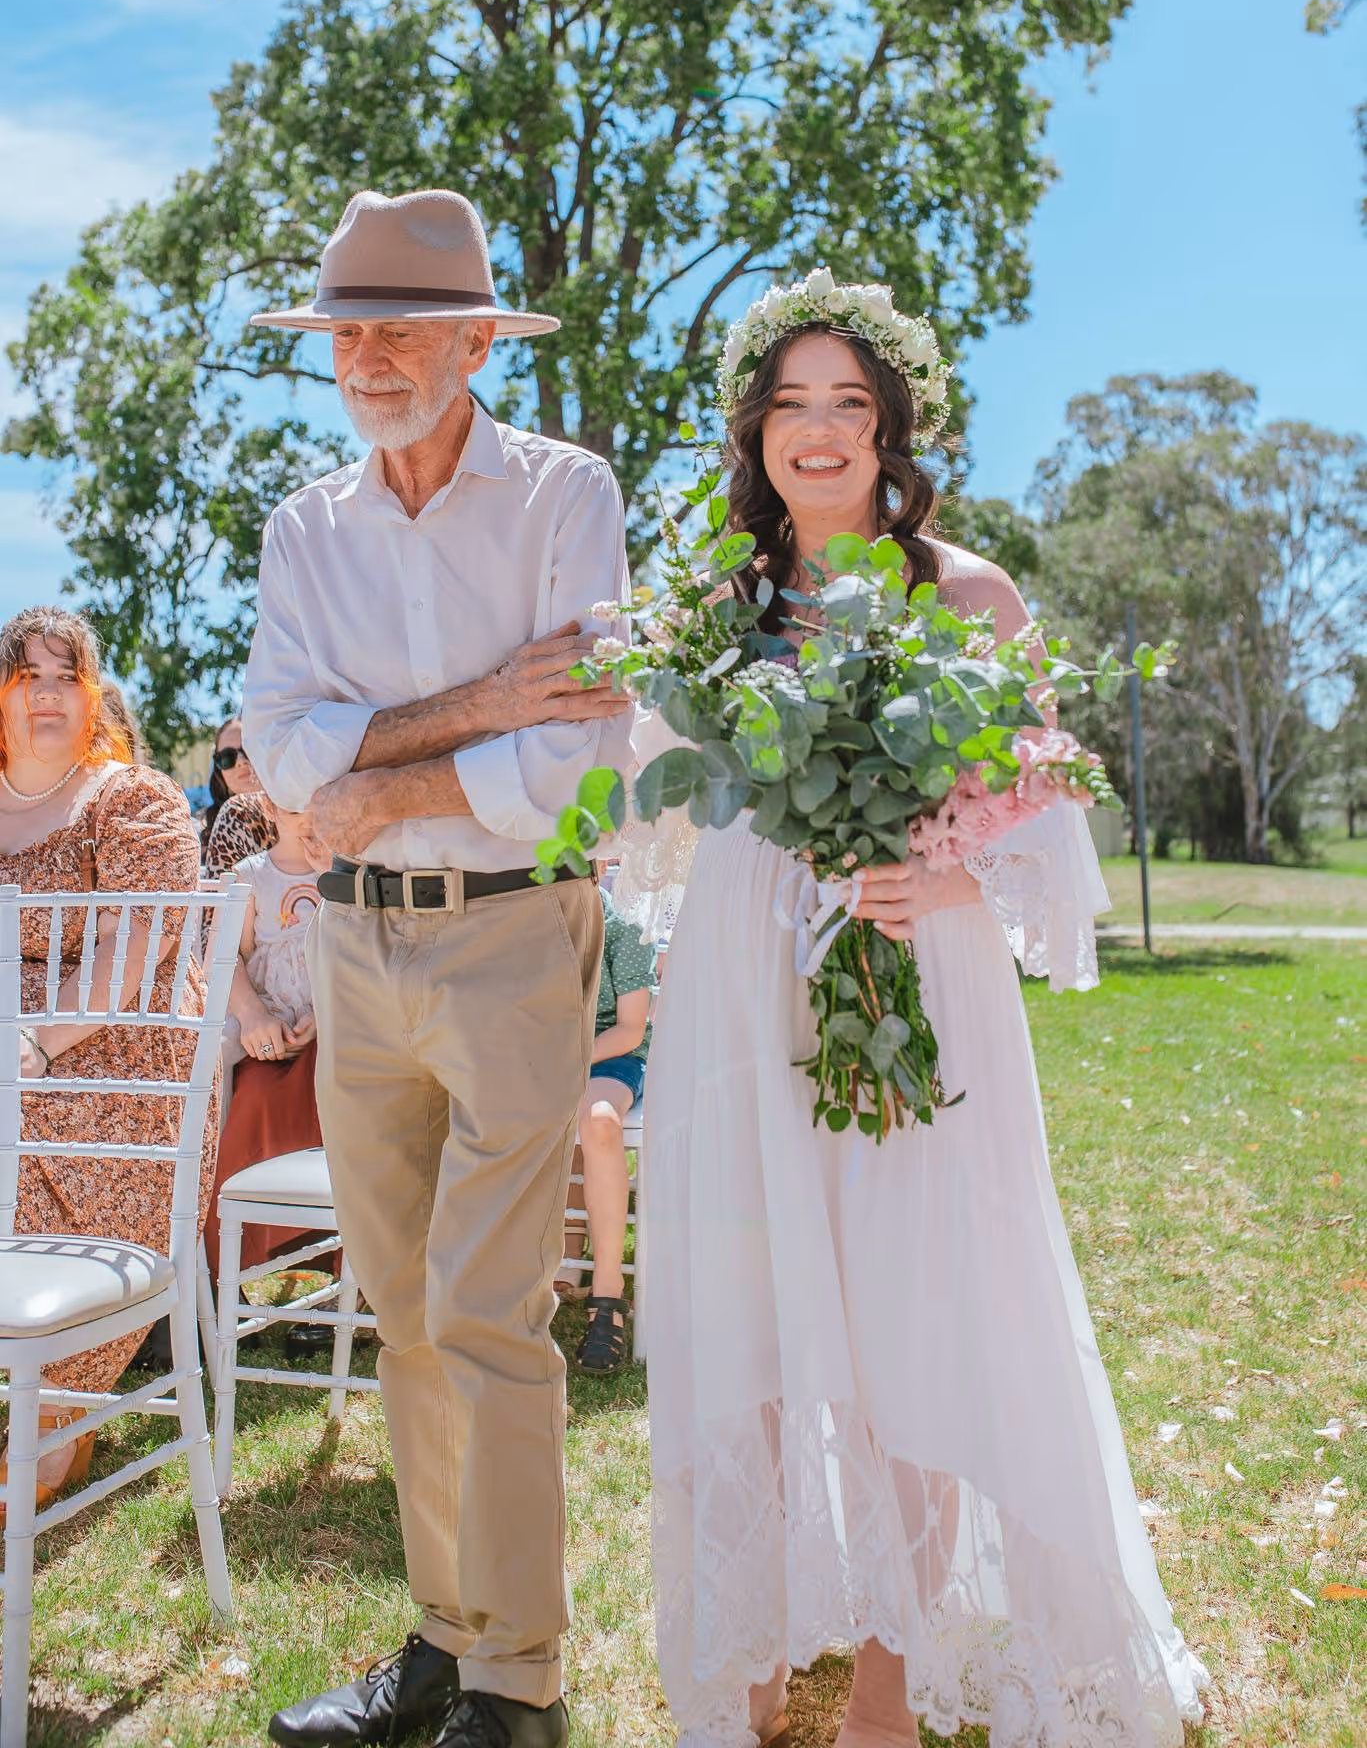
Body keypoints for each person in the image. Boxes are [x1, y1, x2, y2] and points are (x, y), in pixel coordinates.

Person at [618, 283, 1210, 1748]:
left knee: (911, 1324)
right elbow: (642, 824)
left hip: (910, 991)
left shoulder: (972, 595)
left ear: (891, 430)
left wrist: (936, 885)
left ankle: (886, 1688)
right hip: (741, 996)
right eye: (790, 406)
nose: (818, 434)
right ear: (750, 431)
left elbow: (1044, 828)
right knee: (746, 1321)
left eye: (849, 406)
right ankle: (747, 1657)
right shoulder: (705, 607)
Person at [242, 189, 633, 1748]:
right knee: (398, 1310)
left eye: (403, 326)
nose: (371, 357)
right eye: (348, 331)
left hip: (512, 936)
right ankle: (441, 1638)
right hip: (355, 943)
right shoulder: (303, 527)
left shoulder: (563, 494)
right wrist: (469, 709)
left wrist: (381, 770)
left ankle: (518, 1687)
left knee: (483, 1312)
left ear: (480, 338)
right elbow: (280, 753)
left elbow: (579, 749)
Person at [0, 606, 214, 1509]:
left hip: (121, 1078)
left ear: (93, 699)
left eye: (66, 677)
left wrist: (31, 1043)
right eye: (26, 677)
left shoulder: (133, 801)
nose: (46, 695)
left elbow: (135, 948)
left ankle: (52, 1417)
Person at [203, 793, 331, 1283]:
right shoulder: (250, 876)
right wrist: (255, 1016)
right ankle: (247, 1268)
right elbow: (224, 956)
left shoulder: (348, 872)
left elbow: (361, 954)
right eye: (298, 807)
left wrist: (323, 1016)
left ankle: (327, 1261)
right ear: (271, 810)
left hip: (333, 1026)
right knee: (256, 1101)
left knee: (330, 1097)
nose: (311, 820)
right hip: (267, 1030)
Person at [556, 879, 655, 1374]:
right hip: (540, 1059)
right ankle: (539, 1270)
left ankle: (608, 1295)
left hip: (611, 1056)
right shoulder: (521, 926)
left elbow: (631, 1028)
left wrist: (565, 1061)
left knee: (598, 1122)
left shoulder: (623, 930)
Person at [202, 715, 276, 874]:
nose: (241, 761)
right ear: (218, 770)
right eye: (227, 757)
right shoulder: (199, 836)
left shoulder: (299, 815)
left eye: (248, 750)